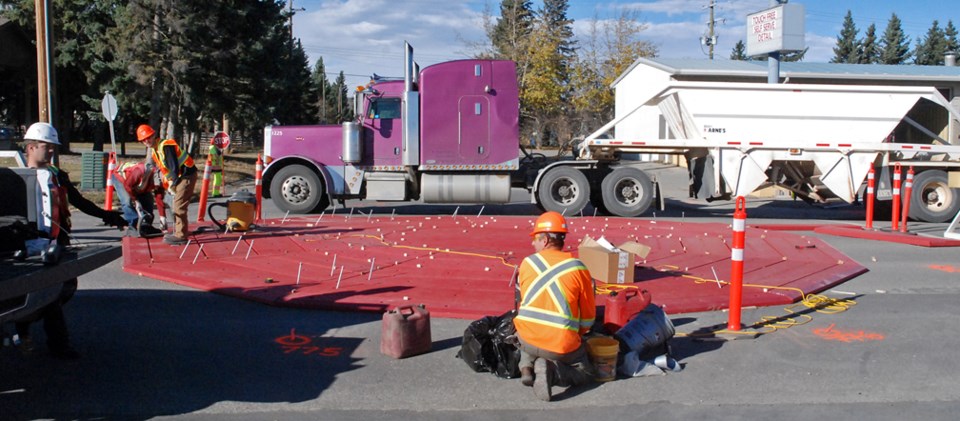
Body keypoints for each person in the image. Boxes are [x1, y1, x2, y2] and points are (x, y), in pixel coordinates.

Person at [16, 122, 126, 359]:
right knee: (39, 295)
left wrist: (108, 215)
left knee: (60, 291)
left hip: (57, 244)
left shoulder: (57, 176)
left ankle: (37, 334)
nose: (52, 151)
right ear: (32, 147)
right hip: (24, 247)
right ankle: (52, 342)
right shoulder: (14, 177)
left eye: (53, 147)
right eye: (48, 146)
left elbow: (79, 202)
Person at [513, 211, 596, 401]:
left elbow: (524, 303)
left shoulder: (527, 263)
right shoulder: (578, 268)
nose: (532, 243)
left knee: (528, 336)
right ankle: (552, 371)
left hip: (526, 337)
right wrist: (579, 334)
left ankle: (526, 367)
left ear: (545, 240)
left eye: (535, 238)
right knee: (587, 372)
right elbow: (588, 319)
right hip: (560, 345)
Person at [136, 124, 197, 245]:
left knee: (179, 206)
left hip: (186, 175)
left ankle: (181, 235)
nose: (146, 141)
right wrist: (168, 184)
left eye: (148, 137)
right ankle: (180, 231)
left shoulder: (166, 145)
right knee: (176, 205)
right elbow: (166, 171)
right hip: (180, 176)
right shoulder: (155, 151)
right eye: (143, 140)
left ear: (153, 135)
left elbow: (173, 167)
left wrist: (173, 184)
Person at [111, 160, 164, 237]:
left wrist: (163, 217)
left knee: (148, 201)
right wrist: (136, 201)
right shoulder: (139, 171)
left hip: (137, 182)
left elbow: (159, 197)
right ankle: (132, 226)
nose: (155, 187)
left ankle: (146, 226)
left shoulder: (161, 179)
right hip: (121, 179)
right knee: (127, 201)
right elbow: (128, 186)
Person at [208, 132, 229, 198]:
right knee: (217, 180)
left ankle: (216, 192)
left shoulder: (214, 148)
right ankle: (215, 193)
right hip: (216, 167)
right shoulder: (212, 148)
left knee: (217, 180)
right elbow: (216, 157)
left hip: (216, 166)